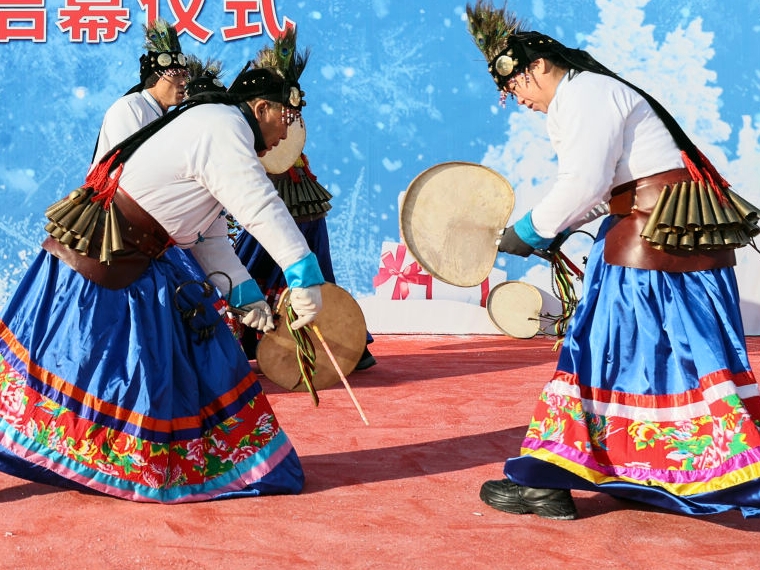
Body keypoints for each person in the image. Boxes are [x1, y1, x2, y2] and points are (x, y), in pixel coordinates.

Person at [467, 0, 760, 520]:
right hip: (664, 239)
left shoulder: (584, 95)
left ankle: (550, 482)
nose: (516, 100)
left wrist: (532, 230)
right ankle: (643, 471)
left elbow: (584, 183)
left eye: (513, 87)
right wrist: (557, 231)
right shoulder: (597, 93)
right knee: (660, 362)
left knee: (597, 352)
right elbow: (612, 189)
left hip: (649, 256)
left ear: (536, 67)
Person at [0, 40, 326, 502]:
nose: (287, 135)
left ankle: (215, 463)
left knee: (183, 363)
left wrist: (246, 296)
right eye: (287, 119)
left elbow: (211, 235)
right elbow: (259, 205)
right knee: (73, 374)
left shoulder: (218, 128)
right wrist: (303, 271)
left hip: (134, 265)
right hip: (105, 265)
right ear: (261, 107)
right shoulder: (223, 126)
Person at [232, 43, 377, 370]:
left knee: (260, 263)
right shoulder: (254, 123)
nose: (282, 132)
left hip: (291, 198)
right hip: (290, 196)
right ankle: (343, 345)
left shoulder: (277, 116)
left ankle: (240, 341)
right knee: (274, 264)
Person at [91, 18, 188, 165]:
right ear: (156, 77)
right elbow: (131, 166)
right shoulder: (129, 107)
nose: (183, 82)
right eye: (175, 75)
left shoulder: (162, 115)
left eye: (184, 76)